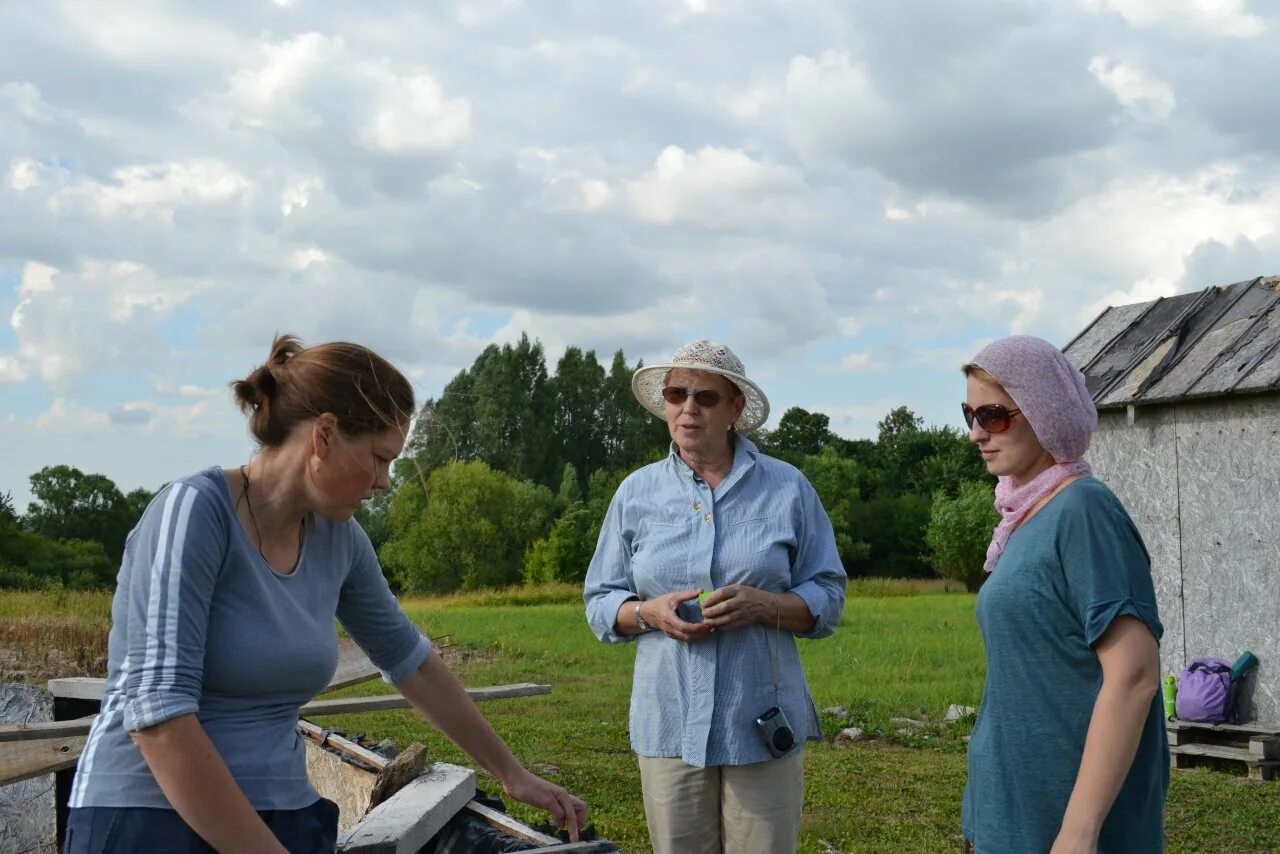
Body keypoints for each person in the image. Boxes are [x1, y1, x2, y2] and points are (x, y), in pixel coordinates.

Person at [66, 335, 586, 853]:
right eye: (380, 458)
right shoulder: (194, 513)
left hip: (283, 815)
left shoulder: (340, 539)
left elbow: (413, 663)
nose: (385, 482)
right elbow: (158, 717)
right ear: (325, 435)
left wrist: (514, 776)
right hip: (150, 818)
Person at [583, 340, 846, 854]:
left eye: (705, 397)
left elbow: (828, 595)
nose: (688, 408)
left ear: (735, 409)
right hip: (669, 721)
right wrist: (647, 613)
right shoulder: (636, 494)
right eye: (677, 394)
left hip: (760, 718)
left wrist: (764, 605)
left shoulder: (787, 488)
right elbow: (599, 600)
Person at [959, 335, 1168, 853]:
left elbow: (1135, 676)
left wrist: (1078, 832)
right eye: (968, 413)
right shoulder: (1025, 517)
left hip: (1065, 827)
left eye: (994, 416)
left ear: (1044, 412)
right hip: (1014, 813)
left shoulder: (1084, 512)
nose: (975, 432)